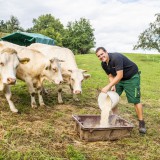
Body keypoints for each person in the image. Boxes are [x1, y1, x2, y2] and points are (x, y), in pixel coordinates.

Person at [96, 47, 146, 134]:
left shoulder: (116, 58)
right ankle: (114, 119)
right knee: (112, 98)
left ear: (106, 52)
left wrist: (108, 86)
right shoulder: (103, 64)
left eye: (102, 54)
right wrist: (113, 84)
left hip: (131, 77)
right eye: (99, 56)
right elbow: (111, 76)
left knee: (135, 100)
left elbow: (119, 76)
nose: (101, 57)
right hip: (119, 79)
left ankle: (141, 123)